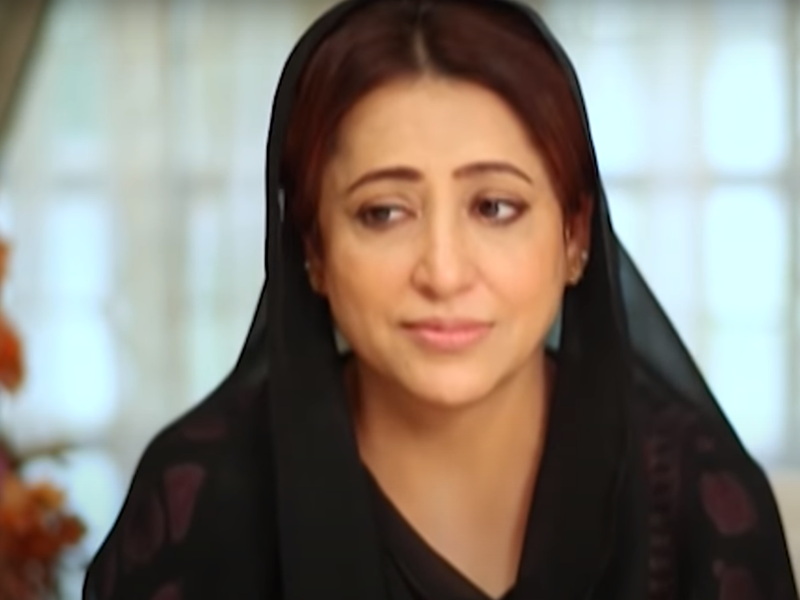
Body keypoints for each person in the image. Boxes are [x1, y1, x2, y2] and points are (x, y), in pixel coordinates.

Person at [82, 1, 799, 599]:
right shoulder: (199, 500)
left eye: (494, 207)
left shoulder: (697, 500)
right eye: (384, 213)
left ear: (576, 235)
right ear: (313, 250)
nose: (444, 273)